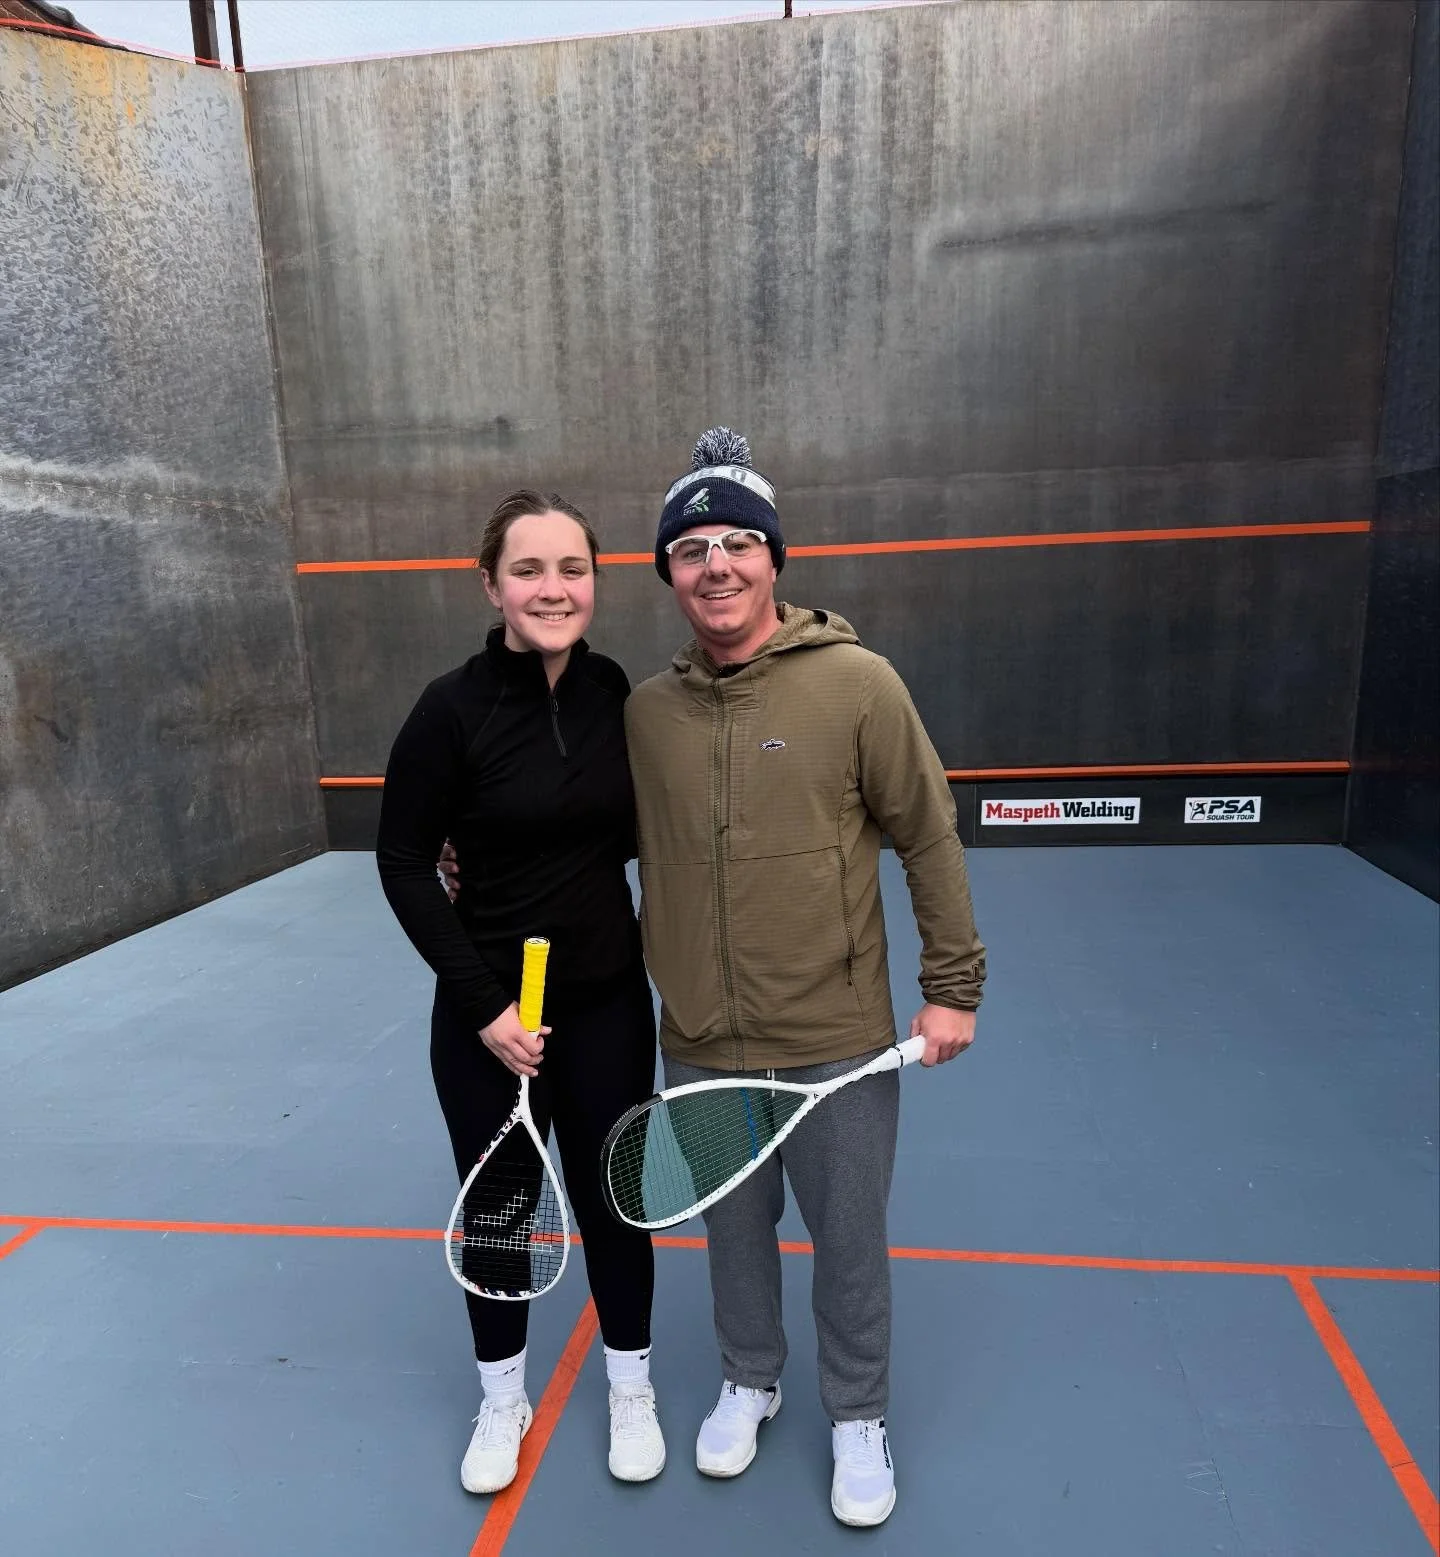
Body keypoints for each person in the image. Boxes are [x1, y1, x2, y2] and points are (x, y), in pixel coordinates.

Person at [623, 429, 986, 1527]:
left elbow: (929, 835)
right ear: (671, 575)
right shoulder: (644, 714)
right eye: (691, 548)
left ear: (776, 560)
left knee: (849, 1240)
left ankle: (858, 1414)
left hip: (837, 1036)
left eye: (738, 542)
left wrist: (954, 986)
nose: (716, 565)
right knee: (730, 1232)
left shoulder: (859, 685)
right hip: (699, 1034)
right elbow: (575, 835)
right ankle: (749, 1379)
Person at [375, 491, 665, 1495]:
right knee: (501, 1209)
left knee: (617, 1203)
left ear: (596, 580)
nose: (554, 588)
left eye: (573, 569)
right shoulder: (448, 710)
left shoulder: (615, 691)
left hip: (605, 1009)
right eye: (530, 570)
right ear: (490, 583)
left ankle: (633, 1387)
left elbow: (622, 836)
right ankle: (503, 1398)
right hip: (486, 1020)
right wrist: (486, 1008)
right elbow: (406, 863)